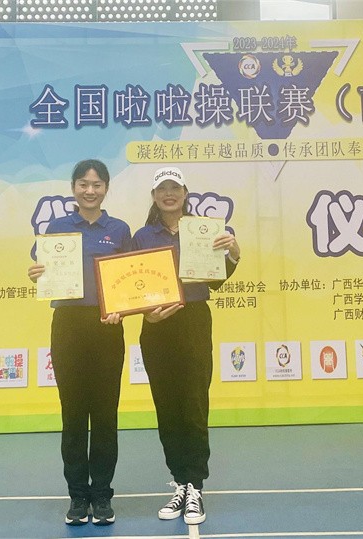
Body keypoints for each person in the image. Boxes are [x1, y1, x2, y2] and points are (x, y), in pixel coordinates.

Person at [132, 166, 240, 525]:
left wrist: (233, 252)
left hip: (193, 321)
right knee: (167, 407)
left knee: (194, 404)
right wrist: (147, 314)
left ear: (184, 193)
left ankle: (196, 486)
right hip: (156, 327)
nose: (169, 194)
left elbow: (217, 280)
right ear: (154, 196)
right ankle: (180, 483)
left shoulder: (203, 230)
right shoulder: (142, 237)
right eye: (162, 189)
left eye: (174, 188)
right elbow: (132, 287)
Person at [27, 159, 131, 527]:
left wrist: (122, 307)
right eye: (83, 184)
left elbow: (129, 280)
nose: (90, 190)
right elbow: (42, 271)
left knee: (104, 416)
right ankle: (77, 496)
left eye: (97, 184)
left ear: (106, 189)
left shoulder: (119, 230)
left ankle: (101, 495)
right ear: (73, 187)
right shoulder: (57, 228)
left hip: (106, 328)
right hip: (68, 326)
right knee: (72, 416)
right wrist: (36, 274)